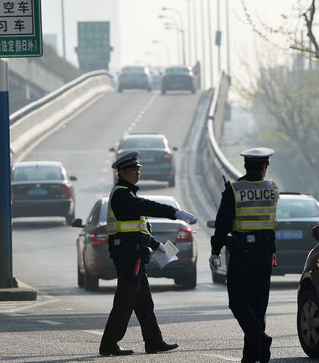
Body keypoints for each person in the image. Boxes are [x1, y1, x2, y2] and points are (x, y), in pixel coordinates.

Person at [99, 151, 197, 357]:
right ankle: (109, 344)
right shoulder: (121, 195)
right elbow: (146, 207)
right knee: (125, 301)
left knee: (144, 301)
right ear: (123, 172)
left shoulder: (128, 194)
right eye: (134, 169)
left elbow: (137, 231)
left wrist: (159, 245)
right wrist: (174, 212)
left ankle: (154, 342)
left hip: (134, 255)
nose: (137, 172)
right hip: (127, 258)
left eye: (139, 169)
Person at [210, 147, 279, 363]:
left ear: (245, 165)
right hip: (266, 253)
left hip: (243, 254)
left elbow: (222, 224)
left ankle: (260, 338)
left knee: (238, 302)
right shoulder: (272, 189)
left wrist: (215, 250)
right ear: (264, 168)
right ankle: (252, 355)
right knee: (259, 306)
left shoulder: (234, 189)